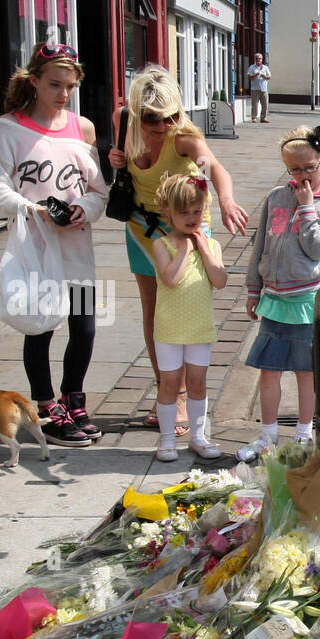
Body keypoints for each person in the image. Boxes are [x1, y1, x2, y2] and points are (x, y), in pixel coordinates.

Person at [108, 65, 249, 437]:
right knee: (154, 312)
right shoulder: (122, 121)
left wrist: (226, 199)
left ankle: (183, 395)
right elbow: (114, 161)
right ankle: (166, 389)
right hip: (143, 230)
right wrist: (114, 159)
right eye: (153, 118)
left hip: (185, 229)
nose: (162, 126)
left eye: (171, 116)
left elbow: (214, 167)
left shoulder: (183, 138)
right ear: (138, 111)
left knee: (185, 308)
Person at [0, 43, 108, 447]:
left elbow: (98, 191)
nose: (63, 94)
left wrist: (82, 210)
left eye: (70, 86)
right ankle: (46, 405)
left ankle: (75, 397)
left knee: (84, 328)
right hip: (36, 248)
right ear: (33, 80)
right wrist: (30, 207)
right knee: (41, 327)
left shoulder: (82, 128)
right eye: (55, 84)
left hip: (76, 246)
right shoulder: (10, 127)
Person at [238, 127, 320, 461]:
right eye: (293, 169)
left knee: (305, 371)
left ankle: (303, 433)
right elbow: (261, 247)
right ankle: (267, 435)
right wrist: (254, 288)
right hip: (274, 298)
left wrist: (307, 207)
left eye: (308, 168)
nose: (301, 176)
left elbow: (315, 249)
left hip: (307, 299)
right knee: (269, 370)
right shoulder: (275, 197)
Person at [149, 173, 227, 462]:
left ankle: (198, 436)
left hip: (199, 326)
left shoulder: (212, 245)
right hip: (170, 327)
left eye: (197, 211)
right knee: (170, 382)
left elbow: (219, 280)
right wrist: (184, 250)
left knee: (198, 382)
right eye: (184, 213)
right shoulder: (162, 244)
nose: (192, 218)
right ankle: (167, 438)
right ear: (168, 211)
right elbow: (170, 279)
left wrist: (205, 249)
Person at [247, 53, 271, 122]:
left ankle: (263, 118)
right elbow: (249, 77)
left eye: (259, 58)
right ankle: (254, 117)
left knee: (265, 104)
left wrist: (264, 76)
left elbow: (269, 77)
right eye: (257, 58)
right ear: (255, 59)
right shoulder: (252, 67)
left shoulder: (265, 68)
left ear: (262, 59)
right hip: (255, 89)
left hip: (264, 89)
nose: (258, 60)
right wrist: (255, 74)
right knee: (255, 105)